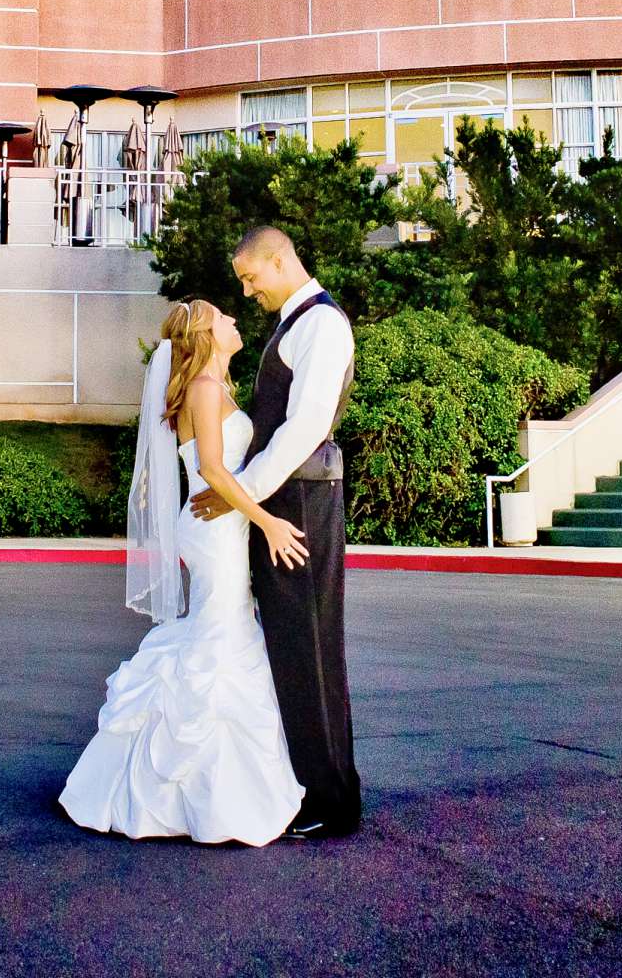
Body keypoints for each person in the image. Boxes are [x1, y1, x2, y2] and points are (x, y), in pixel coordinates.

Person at [58, 300, 309, 846]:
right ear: (205, 334)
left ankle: (226, 789)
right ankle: (212, 796)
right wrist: (268, 522)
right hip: (215, 529)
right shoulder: (202, 387)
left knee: (220, 633)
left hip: (219, 524)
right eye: (224, 318)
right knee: (222, 638)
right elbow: (214, 469)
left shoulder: (216, 386)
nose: (235, 322)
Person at [189, 225, 363, 840]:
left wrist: (244, 496)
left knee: (309, 647)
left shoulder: (322, 324)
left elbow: (306, 424)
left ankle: (331, 801)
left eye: (250, 276)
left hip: (301, 500)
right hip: (285, 497)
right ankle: (314, 787)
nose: (246, 288)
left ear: (280, 259)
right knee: (291, 645)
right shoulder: (293, 323)